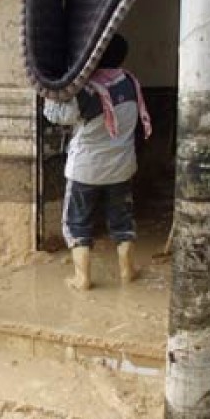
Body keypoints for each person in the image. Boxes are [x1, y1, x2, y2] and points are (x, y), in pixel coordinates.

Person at [43, 34, 151, 290]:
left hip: (86, 169)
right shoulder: (130, 83)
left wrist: (50, 91)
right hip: (122, 167)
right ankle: (128, 271)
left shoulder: (86, 90)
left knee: (77, 223)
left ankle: (82, 279)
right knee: (122, 222)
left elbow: (58, 116)